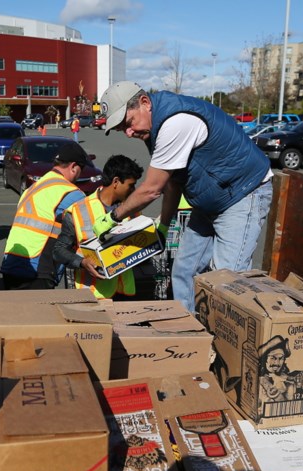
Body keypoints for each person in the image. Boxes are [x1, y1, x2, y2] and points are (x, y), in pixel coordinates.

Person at [100, 81, 274, 313]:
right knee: (184, 270)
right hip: (208, 202)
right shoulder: (154, 128)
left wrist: (114, 217)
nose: (129, 132)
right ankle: (189, 334)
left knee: (227, 281)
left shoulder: (175, 121)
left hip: (242, 193)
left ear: (144, 103)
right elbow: (172, 182)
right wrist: (163, 225)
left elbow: (151, 189)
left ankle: (223, 346)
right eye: (123, 129)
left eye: (128, 123)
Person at [52, 155, 144, 299]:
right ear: (116, 182)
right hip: (93, 295)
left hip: (124, 292)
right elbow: (59, 250)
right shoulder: (78, 211)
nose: (133, 190)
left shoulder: (130, 209)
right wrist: (82, 262)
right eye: (130, 185)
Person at [0, 142, 88, 290]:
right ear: (73, 167)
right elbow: (89, 230)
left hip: (11, 264)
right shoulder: (72, 193)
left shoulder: (32, 188)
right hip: (38, 269)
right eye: (81, 169)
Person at [258, 335, 303, 402]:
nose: (277, 362)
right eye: (273, 358)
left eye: (281, 358)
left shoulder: (286, 378)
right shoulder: (260, 381)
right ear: (264, 360)